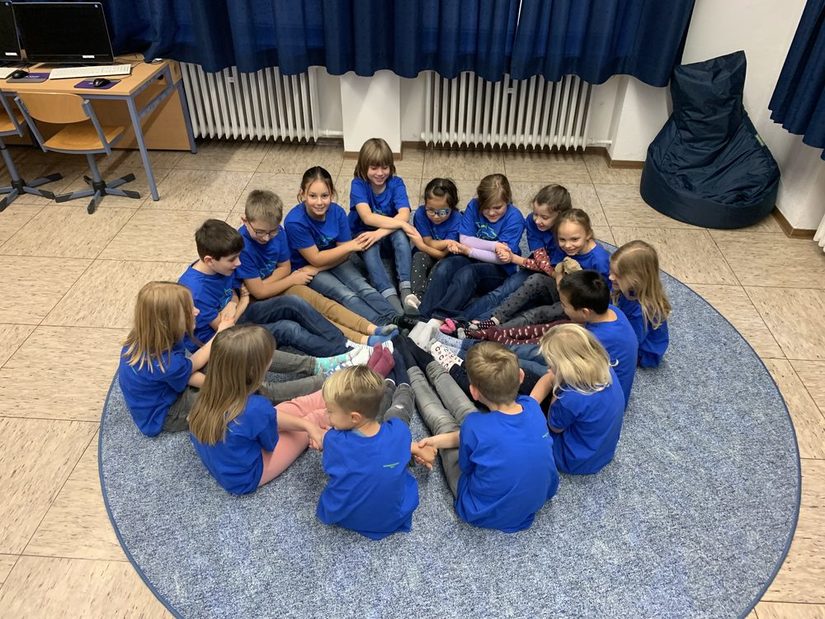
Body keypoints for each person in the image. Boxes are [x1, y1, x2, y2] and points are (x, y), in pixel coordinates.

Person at [410, 341, 559, 533]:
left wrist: (433, 441)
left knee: (446, 424)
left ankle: (413, 368)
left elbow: (468, 468)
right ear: (521, 376)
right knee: (471, 424)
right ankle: (415, 367)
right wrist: (436, 441)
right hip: (535, 500)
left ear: (474, 392)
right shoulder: (532, 408)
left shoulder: (474, 426)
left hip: (480, 510)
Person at [235, 188, 396, 346]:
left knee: (322, 303)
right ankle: (362, 340)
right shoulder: (242, 247)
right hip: (257, 302)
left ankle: (372, 329)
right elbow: (259, 293)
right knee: (312, 314)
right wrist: (289, 280)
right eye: (260, 232)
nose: (266, 238)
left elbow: (284, 268)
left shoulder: (279, 232)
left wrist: (265, 284)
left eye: (272, 232)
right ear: (245, 221)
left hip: (281, 284)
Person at [188, 325, 329, 495]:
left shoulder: (208, 394)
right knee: (313, 418)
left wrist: (302, 424)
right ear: (254, 370)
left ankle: (333, 391)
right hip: (247, 476)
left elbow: (262, 418)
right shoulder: (256, 407)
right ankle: (336, 402)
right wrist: (308, 425)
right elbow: (270, 443)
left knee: (296, 407)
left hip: (229, 459)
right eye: (269, 358)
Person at [178, 218, 350, 357]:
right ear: (209, 260)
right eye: (232, 260)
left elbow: (230, 293)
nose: (238, 263)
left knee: (293, 302)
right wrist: (242, 302)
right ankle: (344, 354)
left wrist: (233, 302)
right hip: (222, 340)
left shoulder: (220, 266)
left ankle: (343, 342)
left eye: (238, 257)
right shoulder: (196, 291)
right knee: (288, 329)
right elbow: (224, 329)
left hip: (236, 315)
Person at [316, 365, 436, 540]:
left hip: (347, 517)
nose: (326, 415)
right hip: (392, 519)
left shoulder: (333, 440)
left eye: (330, 411)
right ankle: (404, 386)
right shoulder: (399, 432)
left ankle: (392, 381)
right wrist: (414, 447)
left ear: (354, 417)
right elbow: (387, 444)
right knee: (398, 412)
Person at [441, 184, 572, 334]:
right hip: (536, 267)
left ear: (560, 215)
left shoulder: (567, 237)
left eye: (544, 217)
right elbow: (540, 259)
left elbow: (555, 270)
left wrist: (514, 258)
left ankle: (478, 326)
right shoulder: (532, 221)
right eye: (536, 214)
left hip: (557, 281)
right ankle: (459, 320)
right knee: (502, 292)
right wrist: (516, 259)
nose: (537, 220)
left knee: (517, 302)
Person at [412, 174, 525, 344]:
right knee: (445, 266)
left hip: (499, 269)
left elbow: (501, 259)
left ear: (507, 201)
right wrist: (494, 245)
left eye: (497, 207)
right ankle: (422, 319)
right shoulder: (473, 205)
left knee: (468, 273)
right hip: (472, 257)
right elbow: (465, 239)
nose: (491, 212)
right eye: (486, 208)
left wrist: (470, 251)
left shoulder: (515, 218)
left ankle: (438, 320)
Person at [506, 270, 639, 407]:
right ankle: (502, 347)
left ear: (585, 312)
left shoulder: (593, 339)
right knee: (526, 351)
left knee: (515, 364)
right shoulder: (611, 310)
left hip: (591, 391)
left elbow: (561, 373)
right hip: (588, 368)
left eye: (564, 305)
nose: (562, 308)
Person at [284, 166, 397, 325]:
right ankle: (382, 325)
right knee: (345, 294)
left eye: (324, 196)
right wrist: (350, 246)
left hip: (327, 262)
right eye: (312, 196)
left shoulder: (337, 212)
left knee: (362, 286)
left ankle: (395, 317)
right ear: (302, 194)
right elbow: (316, 258)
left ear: (332, 194)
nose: (319, 202)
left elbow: (344, 255)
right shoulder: (294, 222)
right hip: (305, 268)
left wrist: (319, 267)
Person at [118, 281, 231, 437]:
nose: (197, 311)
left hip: (159, 388)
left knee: (217, 367)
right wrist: (226, 387)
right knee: (229, 399)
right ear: (169, 322)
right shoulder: (169, 364)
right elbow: (193, 365)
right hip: (165, 413)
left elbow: (187, 369)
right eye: (189, 310)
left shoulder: (146, 335)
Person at [483, 208, 610, 329]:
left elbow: (604, 297)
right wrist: (559, 281)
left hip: (578, 305)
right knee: (535, 280)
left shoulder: (599, 260)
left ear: (588, 234)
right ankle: (496, 318)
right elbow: (556, 269)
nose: (567, 245)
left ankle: (495, 332)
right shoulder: (564, 249)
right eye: (562, 239)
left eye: (574, 239)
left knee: (539, 313)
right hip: (563, 288)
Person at [531, 324, 625, 475]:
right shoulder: (606, 370)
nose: (549, 368)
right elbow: (550, 377)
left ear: (565, 368)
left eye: (552, 365)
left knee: (526, 433)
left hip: (572, 459)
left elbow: (555, 427)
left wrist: (555, 392)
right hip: (602, 451)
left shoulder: (569, 399)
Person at [349, 137, 418, 313]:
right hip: (363, 232)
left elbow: (404, 214)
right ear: (363, 167)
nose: (380, 173)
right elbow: (367, 217)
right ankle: (389, 295)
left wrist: (379, 233)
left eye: (385, 167)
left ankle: (406, 289)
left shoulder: (396, 183)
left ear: (391, 167)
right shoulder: (358, 184)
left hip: (386, 235)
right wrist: (400, 224)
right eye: (374, 168)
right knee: (369, 244)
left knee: (400, 235)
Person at [609, 240, 671, 367]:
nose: (611, 277)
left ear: (637, 279)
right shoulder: (624, 288)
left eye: (617, 275)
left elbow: (632, 341)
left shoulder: (641, 310)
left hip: (644, 351)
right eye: (611, 272)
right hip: (629, 328)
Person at [404, 178, 462, 313]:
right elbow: (428, 242)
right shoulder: (420, 214)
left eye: (443, 212)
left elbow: (443, 255)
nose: (436, 216)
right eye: (430, 210)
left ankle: (429, 300)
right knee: (419, 257)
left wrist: (422, 245)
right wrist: (445, 243)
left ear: (452, 207)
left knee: (440, 269)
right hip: (426, 252)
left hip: (447, 257)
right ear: (425, 204)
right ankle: (418, 296)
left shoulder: (458, 219)